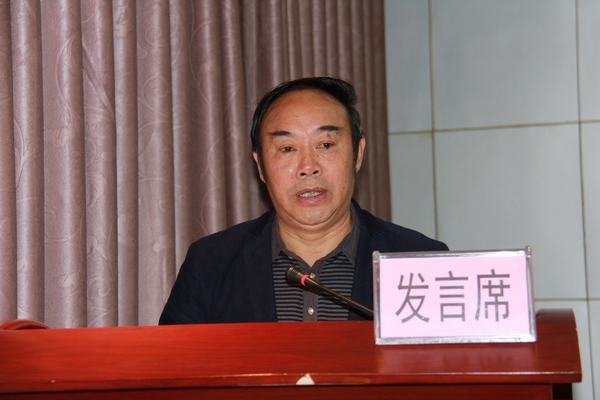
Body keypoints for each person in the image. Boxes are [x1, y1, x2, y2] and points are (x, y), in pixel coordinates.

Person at [159, 77, 448, 324]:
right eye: (287, 148)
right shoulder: (211, 263)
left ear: (358, 154)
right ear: (260, 166)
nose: (308, 166)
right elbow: (173, 369)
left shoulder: (421, 261)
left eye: (326, 145)